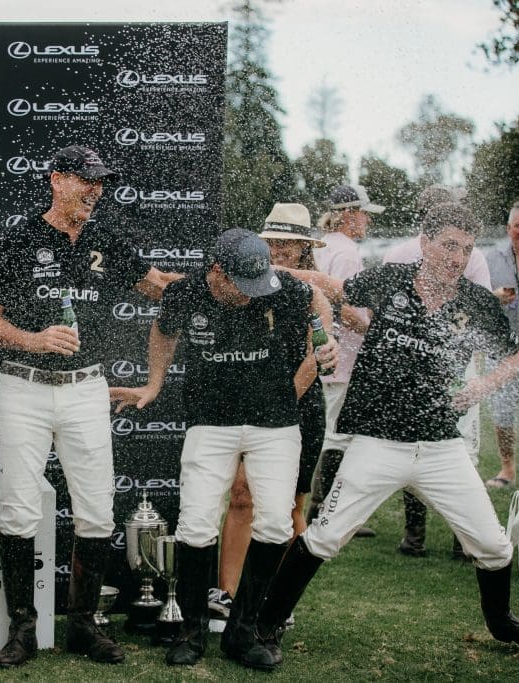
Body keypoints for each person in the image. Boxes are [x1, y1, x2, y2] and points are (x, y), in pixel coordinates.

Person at [243, 203, 519, 672]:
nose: (456, 257)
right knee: (324, 537)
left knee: (494, 547)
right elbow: (333, 286)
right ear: (426, 242)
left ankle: (500, 622)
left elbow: (514, 355)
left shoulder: (476, 302)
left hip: (441, 448)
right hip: (377, 444)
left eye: (465, 249)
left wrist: (482, 386)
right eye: (448, 245)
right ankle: (265, 625)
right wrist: (277, 270)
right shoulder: (391, 279)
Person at [0, 145, 178, 668]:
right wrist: (34, 339)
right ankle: (23, 628)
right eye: (86, 180)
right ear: (57, 180)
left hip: (87, 389)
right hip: (23, 385)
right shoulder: (18, 240)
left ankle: (84, 625)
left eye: (100, 183)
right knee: (20, 509)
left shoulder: (107, 241)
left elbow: (160, 288)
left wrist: (226, 279)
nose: (94, 191)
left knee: (96, 510)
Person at [110, 228, 336, 667]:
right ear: (217, 272)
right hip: (210, 423)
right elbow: (163, 331)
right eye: (242, 286)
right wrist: (154, 382)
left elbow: (319, 302)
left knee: (275, 523)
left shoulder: (283, 288)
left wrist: (324, 342)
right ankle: (191, 633)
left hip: (276, 423)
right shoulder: (185, 293)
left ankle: (243, 633)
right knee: (195, 525)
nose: (252, 294)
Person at [210, 204, 329, 620]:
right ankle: (227, 594)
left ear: (304, 249)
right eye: (273, 241)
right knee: (241, 494)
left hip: (297, 405)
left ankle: (276, 601)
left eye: (289, 244)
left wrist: (277, 405)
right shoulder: (245, 283)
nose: (279, 249)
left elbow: (314, 359)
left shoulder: (310, 291)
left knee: (290, 505)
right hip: (248, 404)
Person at [383, 184, 491, 558]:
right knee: (462, 448)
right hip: (453, 367)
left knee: (412, 446)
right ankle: (465, 540)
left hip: (409, 367)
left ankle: (414, 537)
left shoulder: (398, 252)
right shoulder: (471, 254)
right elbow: (483, 314)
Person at [309, 184, 385, 537]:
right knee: (337, 434)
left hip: (324, 350)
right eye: (365, 214)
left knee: (330, 430)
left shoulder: (324, 245)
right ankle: (324, 510)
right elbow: (344, 307)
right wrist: (376, 332)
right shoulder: (347, 252)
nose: (368, 221)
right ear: (350, 214)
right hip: (343, 354)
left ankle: (322, 508)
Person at [483, 199, 519, 489]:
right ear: (508, 228)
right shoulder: (491, 258)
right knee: (502, 412)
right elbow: (477, 297)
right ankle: (507, 468)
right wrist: (493, 297)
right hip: (502, 348)